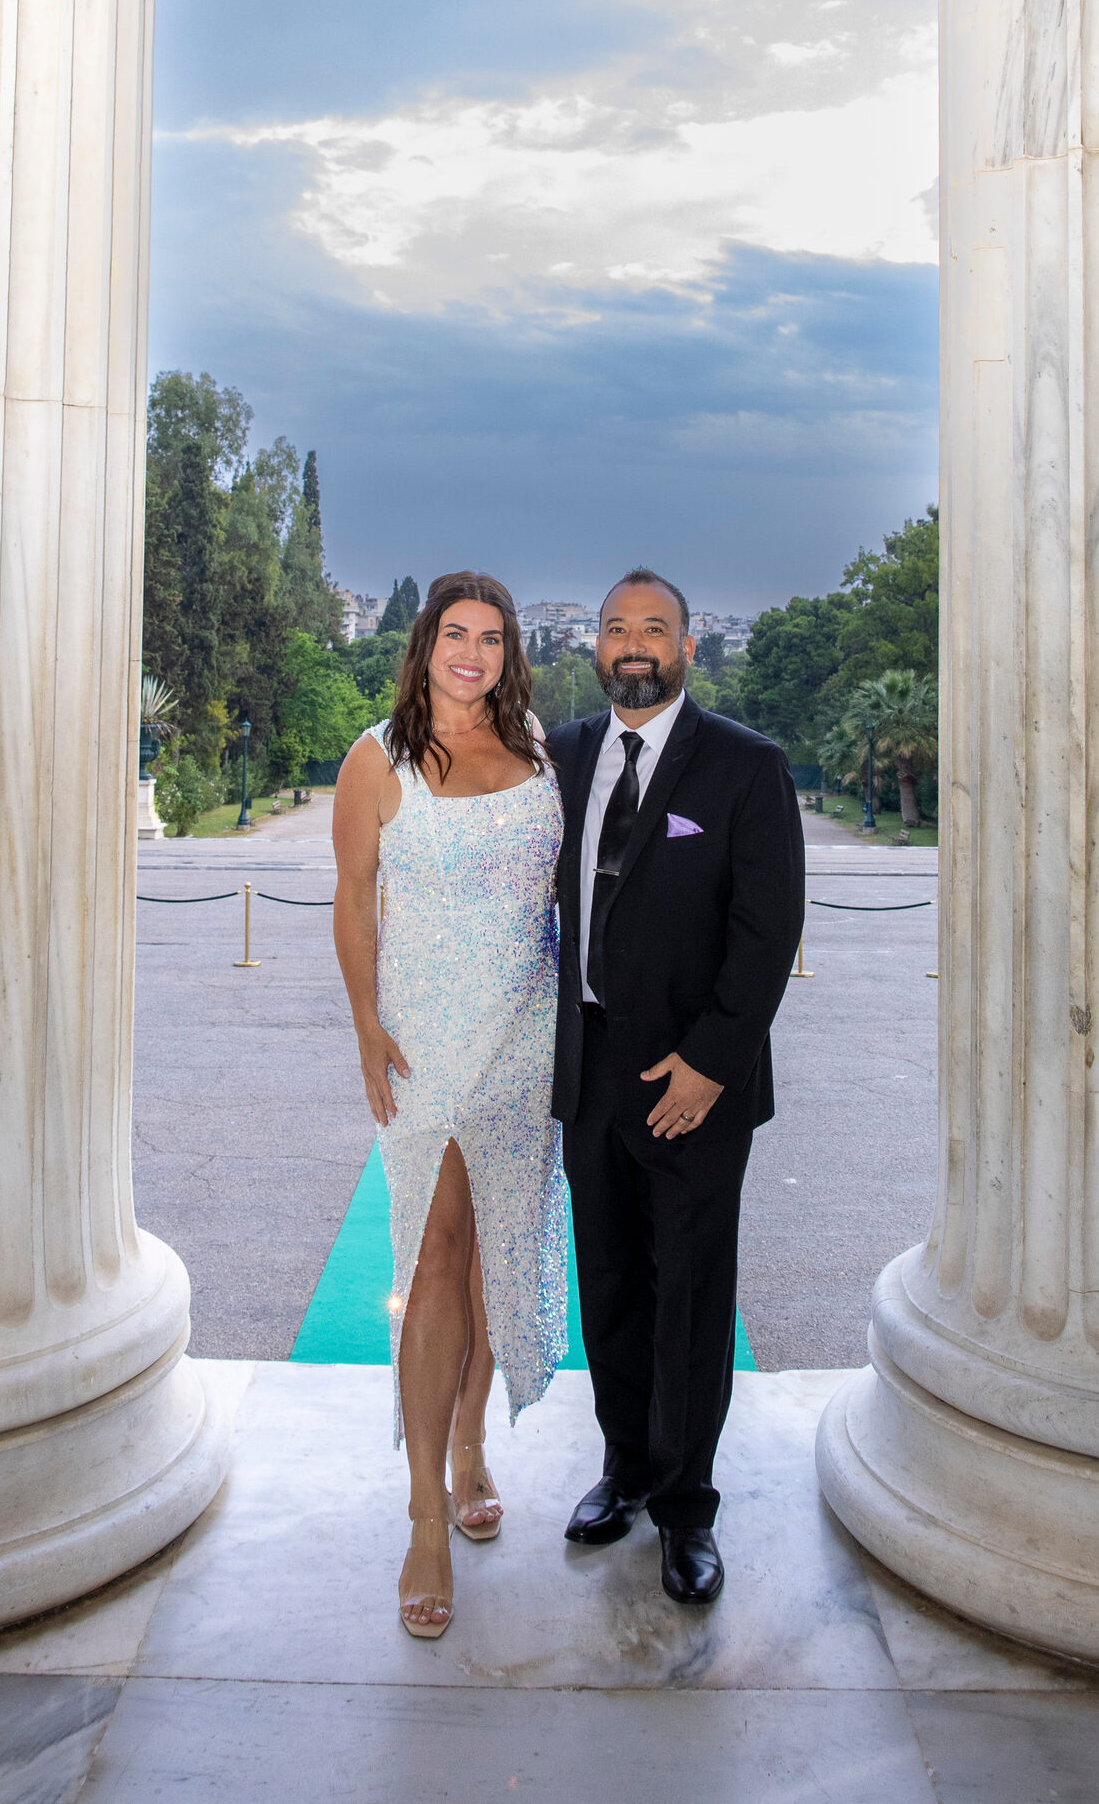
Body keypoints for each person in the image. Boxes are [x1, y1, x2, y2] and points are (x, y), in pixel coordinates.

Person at [548, 568, 805, 1605]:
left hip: (697, 1073)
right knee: (609, 1279)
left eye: (655, 627)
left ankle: (689, 1505)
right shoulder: (561, 755)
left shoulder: (746, 765)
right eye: (617, 628)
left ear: (689, 647)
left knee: (690, 1291)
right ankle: (626, 1468)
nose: (634, 644)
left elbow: (766, 931)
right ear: (597, 647)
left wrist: (710, 1063)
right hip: (592, 1064)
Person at [333, 572, 567, 1640]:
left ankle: (473, 1440)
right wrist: (366, 1024)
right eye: (454, 634)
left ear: (509, 651)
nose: (470, 652)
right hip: (424, 1043)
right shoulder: (375, 760)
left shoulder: (541, 758)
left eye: (491, 636)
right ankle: (428, 1511)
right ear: (425, 644)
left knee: (489, 1253)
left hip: (522, 1040)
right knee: (433, 1254)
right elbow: (352, 893)